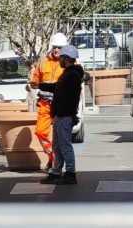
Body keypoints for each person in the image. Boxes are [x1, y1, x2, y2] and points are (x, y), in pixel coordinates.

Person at [38, 44, 84, 185]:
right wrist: (40, 85)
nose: (59, 61)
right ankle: (56, 172)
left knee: (65, 146)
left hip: (64, 116)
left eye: (61, 58)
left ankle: (70, 173)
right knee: (57, 146)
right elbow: (57, 88)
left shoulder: (73, 75)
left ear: (67, 58)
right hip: (60, 116)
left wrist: (68, 114)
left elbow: (68, 97)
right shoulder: (68, 74)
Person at [29, 32, 67, 173]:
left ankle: (58, 163)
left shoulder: (67, 62)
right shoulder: (43, 61)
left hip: (60, 105)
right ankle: (53, 157)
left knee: (60, 136)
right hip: (45, 104)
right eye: (55, 47)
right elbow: (35, 80)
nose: (57, 50)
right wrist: (33, 84)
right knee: (40, 132)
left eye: (60, 47)